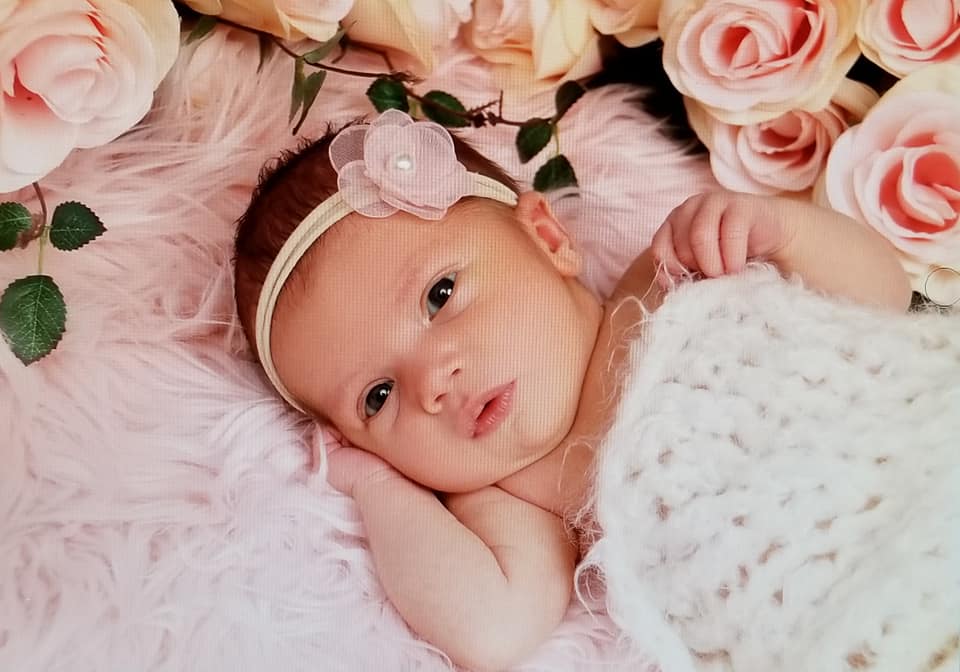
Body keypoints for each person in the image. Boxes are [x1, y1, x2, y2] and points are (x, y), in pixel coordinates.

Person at [232, 109, 912, 672]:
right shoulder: (515, 498)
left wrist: (783, 230)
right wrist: (375, 488)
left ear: (548, 236)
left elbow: (882, 295)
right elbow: (491, 632)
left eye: (440, 296)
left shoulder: (673, 272)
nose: (432, 381)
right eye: (378, 397)